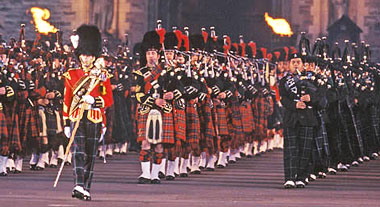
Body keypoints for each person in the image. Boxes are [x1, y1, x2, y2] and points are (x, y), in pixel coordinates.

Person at [62, 24, 113, 200]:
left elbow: (108, 100)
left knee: (90, 154)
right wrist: (66, 122)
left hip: (94, 116)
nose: (86, 58)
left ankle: (86, 187)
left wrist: (95, 101)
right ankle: (78, 184)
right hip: (77, 116)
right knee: (77, 151)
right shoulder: (71, 74)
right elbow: (67, 100)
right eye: (83, 54)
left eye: (89, 55)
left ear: (94, 55)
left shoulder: (101, 75)